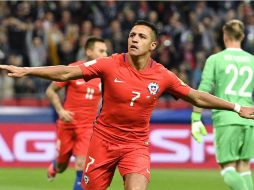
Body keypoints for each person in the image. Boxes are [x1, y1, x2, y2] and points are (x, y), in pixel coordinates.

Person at [1, 20, 254, 190]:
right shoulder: (110, 64)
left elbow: (196, 96)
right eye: (132, 35)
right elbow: (67, 73)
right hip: (102, 141)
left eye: (141, 36)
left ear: (152, 46)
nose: (134, 39)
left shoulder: (162, 75)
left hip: (135, 145)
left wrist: (236, 107)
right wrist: (27, 70)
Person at [191, 19, 254, 190]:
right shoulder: (252, 60)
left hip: (227, 118)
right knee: (244, 168)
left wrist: (196, 117)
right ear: (242, 36)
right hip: (250, 120)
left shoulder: (215, 59)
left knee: (228, 169)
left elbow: (203, 91)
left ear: (225, 36)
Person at [46, 36, 107, 190]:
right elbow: (51, 91)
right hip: (67, 124)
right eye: (101, 50)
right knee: (62, 166)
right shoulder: (74, 69)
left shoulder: (105, 76)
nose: (105, 54)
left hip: (87, 127)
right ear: (89, 52)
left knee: (82, 165)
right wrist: (60, 111)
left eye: (106, 50)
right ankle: (56, 165)